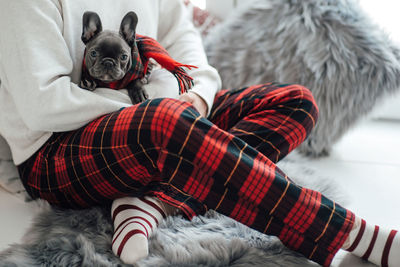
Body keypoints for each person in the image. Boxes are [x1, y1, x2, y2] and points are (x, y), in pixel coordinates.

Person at [0, 0, 398, 266]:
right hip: (59, 149)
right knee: (165, 122)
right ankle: (350, 233)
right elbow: (44, 103)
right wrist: (162, 107)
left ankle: (153, 204)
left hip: (155, 115)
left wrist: (198, 101)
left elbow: (192, 60)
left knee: (294, 100)